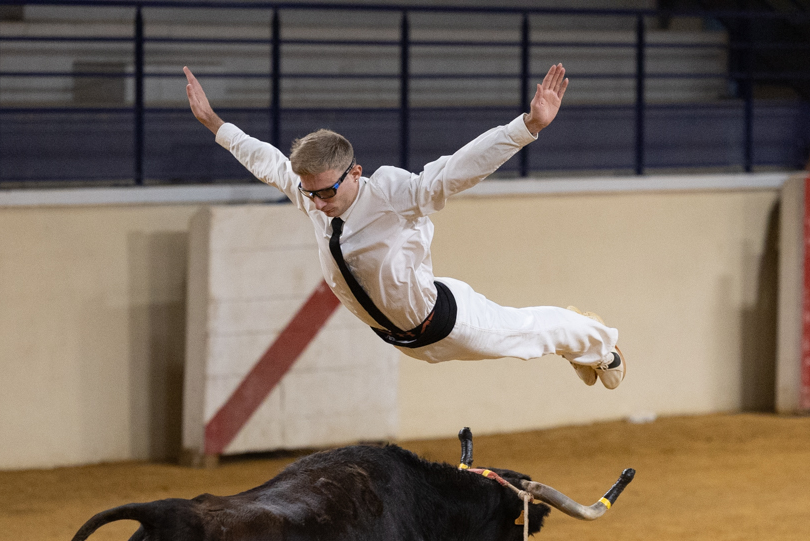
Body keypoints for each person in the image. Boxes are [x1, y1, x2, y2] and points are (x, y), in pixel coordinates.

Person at [182, 64, 625, 389]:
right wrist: (213, 123)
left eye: (326, 192)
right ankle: (585, 340)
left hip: (445, 321)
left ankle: (600, 345)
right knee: (524, 335)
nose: (317, 203)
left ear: (355, 173)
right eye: (309, 193)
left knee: (527, 335)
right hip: (403, 337)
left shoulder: (393, 195)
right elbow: (266, 160)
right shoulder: (311, 195)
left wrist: (527, 126)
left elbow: (458, 169)